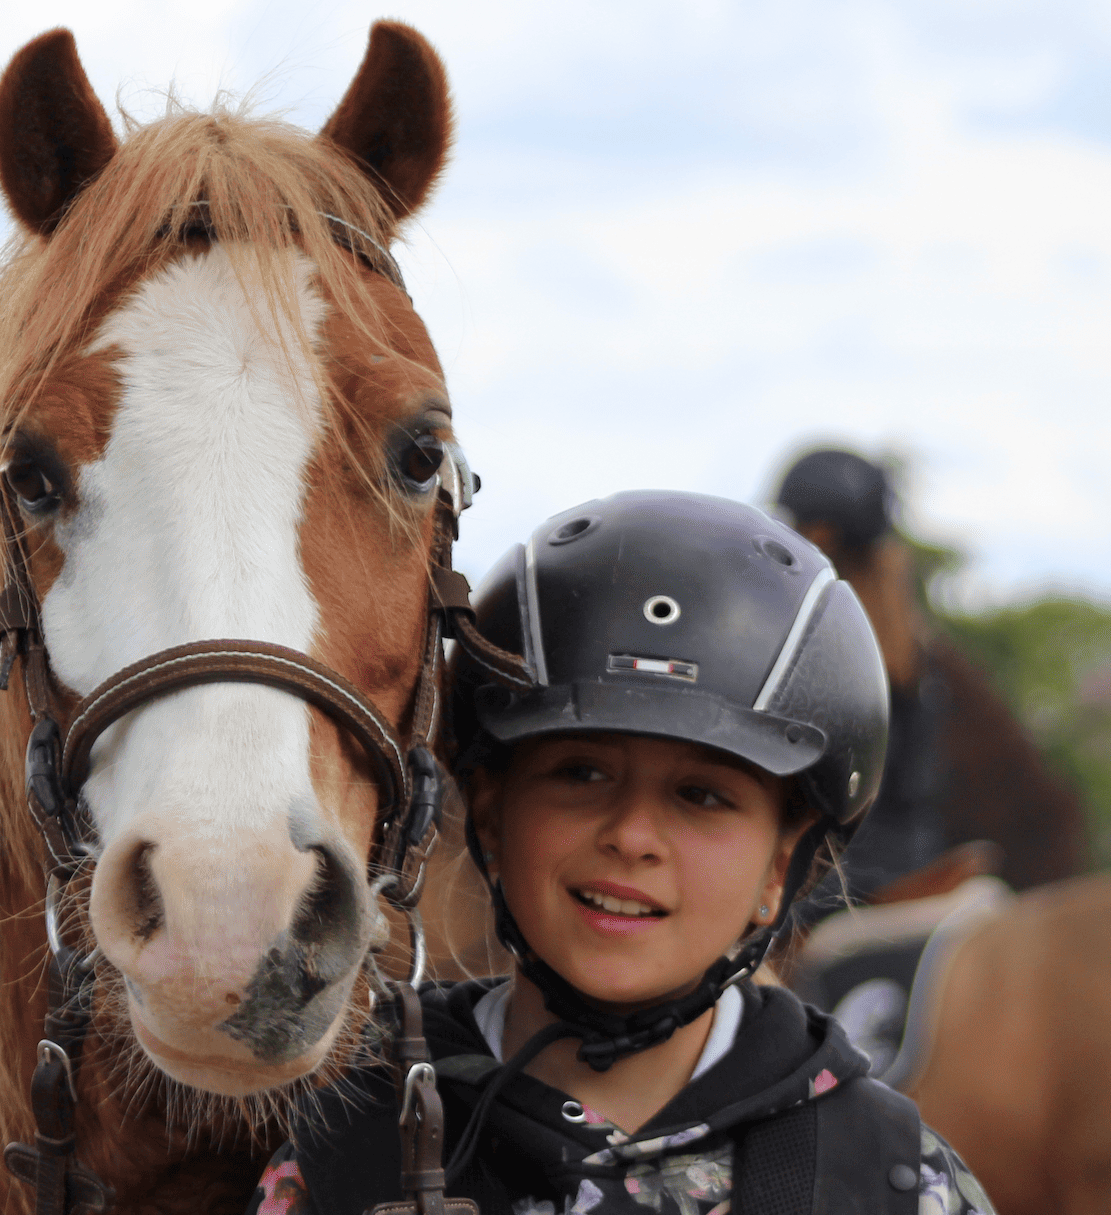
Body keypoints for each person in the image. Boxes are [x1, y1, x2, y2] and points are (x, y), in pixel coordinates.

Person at [248, 490, 993, 1215]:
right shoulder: (339, 1155)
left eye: (702, 795)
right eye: (582, 773)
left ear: (779, 866)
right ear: (492, 813)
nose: (633, 837)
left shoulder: (900, 1185)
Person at [774, 448, 1087, 901]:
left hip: (834, 884)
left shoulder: (817, 654)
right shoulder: (922, 656)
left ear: (817, 534)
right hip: (913, 866)